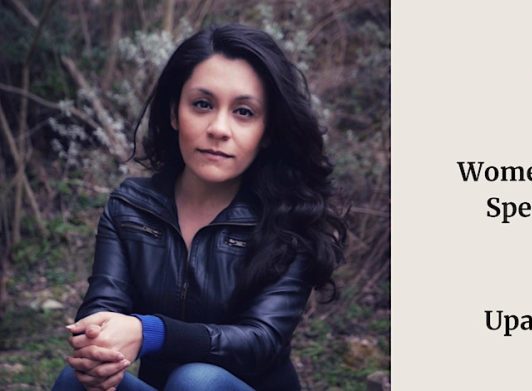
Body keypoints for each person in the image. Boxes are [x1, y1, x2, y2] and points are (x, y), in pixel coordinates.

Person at [52, 24, 346, 391]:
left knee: (197, 381)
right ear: (175, 113)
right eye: (202, 104)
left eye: (243, 112)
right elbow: (103, 304)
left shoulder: (290, 218)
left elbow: (259, 341)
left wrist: (152, 333)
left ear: (267, 131)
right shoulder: (131, 208)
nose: (219, 128)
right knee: (76, 381)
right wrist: (98, 341)